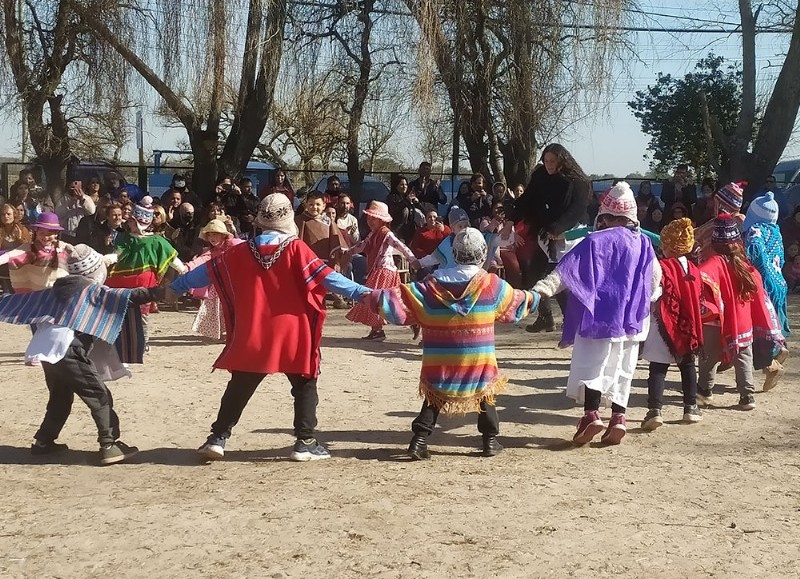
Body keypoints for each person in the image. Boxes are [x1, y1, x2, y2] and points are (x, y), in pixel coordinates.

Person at [169, 193, 373, 462]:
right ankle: (305, 442)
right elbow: (331, 279)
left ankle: (218, 438)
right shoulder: (296, 249)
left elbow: (202, 273)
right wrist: (370, 295)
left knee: (240, 385)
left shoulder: (238, 251)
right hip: (293, 333)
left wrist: (171, 289)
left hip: (253, 332)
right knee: (304, 385)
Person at [369, 228, 540, 459]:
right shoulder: (492, 285)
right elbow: (517, 306)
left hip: (440, 360)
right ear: (481, 254)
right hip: (479, 359)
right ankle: (489, 440)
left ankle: (419, 440)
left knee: (434, 397)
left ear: (455, 254)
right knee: (485, 394)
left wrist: (368, 296)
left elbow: (397, 303)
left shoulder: (430, 286)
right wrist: (538, 295)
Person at [0, 244, 159, 464]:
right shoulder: (91, 290)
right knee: (99, 396)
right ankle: (109, 445)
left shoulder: (55, 289)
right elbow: (127, 297)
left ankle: (43, 442)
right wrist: (161, 291)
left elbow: (16, 301)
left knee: (60, 398)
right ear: (93, 271)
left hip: (45, 350)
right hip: (68, 349)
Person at [533, 182, 660, 445]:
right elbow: (655, 281)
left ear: (605, 215)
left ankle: (591, 415)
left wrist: (538, 292)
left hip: (598, 317)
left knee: (593, 365)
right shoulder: (644, 244)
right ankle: (619, 418)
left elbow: (565, 273)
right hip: (631, 320)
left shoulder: (593, 242)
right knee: (623, 369)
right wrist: (646, 301)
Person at [697, 216, 785, 410]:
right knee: (743, 357)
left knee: (709, 356)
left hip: (717, 320)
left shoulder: (715, 262)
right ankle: (747, 396)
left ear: (715, 241)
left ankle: (704, 391)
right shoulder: (745, 266)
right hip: (742, 321)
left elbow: (699, 277)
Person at [511, 143, 592, 332]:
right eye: (546, 161)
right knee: (534, 274)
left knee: (562, 280)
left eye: (552, 161)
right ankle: (545, 317)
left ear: (562, 161)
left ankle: (571, 322)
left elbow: (577, 209)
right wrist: (510, 218)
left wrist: (559, 228)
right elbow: (527, 199)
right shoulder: (540, 176)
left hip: (570, 236)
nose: (548, 165)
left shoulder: (578, 181)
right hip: (546, 234)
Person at [640, 218, 704, 430]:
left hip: (663, 324)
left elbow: (654, 292)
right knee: (687, 366)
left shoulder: (661, 266)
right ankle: (690, 407)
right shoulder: (694, 270)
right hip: (687, 327)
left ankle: (655, 411)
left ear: (668, 246)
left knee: (658, 368)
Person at [342, 201, 419, 341]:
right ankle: (401, 324)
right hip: (379, 270)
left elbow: (401, 246)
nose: (370, 221)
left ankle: (382, 328)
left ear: (382, 220)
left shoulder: (386, 234)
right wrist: (349, 251)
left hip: (385, 271)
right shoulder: (373, 234)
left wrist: (412, 260)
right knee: (386, 301)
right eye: (369, 218)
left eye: (374, 218)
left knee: (374, 298)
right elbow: (362, 246)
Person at [742, 192, 791, 390]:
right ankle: (779, 348)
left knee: (758, 328)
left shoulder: (755, 231)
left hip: (764, 285)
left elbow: (755, 250)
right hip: (779, 283)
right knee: (772, 322)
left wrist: (757, 272)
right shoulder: (776, 231)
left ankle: (771, 365)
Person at [184, 219, 245, 340]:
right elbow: (200, 260)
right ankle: (225, 331)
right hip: (219, 285)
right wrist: (186, 267)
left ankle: (235, 331)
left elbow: (247, 251)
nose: (212, 237)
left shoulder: (235, 244)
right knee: (216, 308)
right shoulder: (211, 251)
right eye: (209, 235)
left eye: (215, 234)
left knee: (236, 308)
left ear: (223, 235)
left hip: (236, 284)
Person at [0, 212, 71, 294]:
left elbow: (79, 254)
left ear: (56, 234)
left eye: (49, 234)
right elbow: (10, 255)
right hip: (36, 294)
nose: (45, 237)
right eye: (41, 233)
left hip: (57, 293)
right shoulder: (28, 247)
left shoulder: (63, 247)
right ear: (36, 232)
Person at [693, 182, 745, 263]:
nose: (714, 206)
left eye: (716, 202)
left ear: (723, 205)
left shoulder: (735, 223)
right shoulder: (743, 222)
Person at [294, 190, 346, 265]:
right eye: (311, 204)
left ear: (324, 206)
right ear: (306, 205)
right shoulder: (299, 220)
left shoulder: (328, 222)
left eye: (318, 204)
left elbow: (337, 242)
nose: (314, 207)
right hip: (305, 262)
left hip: (325, 263)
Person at [0, 203, 32, 294]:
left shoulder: (22, 230)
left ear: (14, 215)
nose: (5, 216)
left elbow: (28, 248)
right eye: (3, 214)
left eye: (8, 214)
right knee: (6, 296)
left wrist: (20, 239)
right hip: (3, 271)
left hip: (18, 269)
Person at [55, 180, 97, 244]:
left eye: (76, 184)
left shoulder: (87, 198)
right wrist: (69, 205)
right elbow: (57, 214)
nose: (74, 187)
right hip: (66, 234)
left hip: (81, 233)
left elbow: (92, 211)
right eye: (73, 185)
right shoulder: (63, 199)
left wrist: (82, 199)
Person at [386, 175, 424, 243]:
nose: (404, 187)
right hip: (397, 230)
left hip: (409, 230)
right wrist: (406, 201)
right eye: (401, 185)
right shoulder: (392, 197)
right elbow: (394, 210)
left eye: (406, 184)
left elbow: (420, 210)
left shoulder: (407, 196)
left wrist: (416, 202)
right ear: (396, 185)